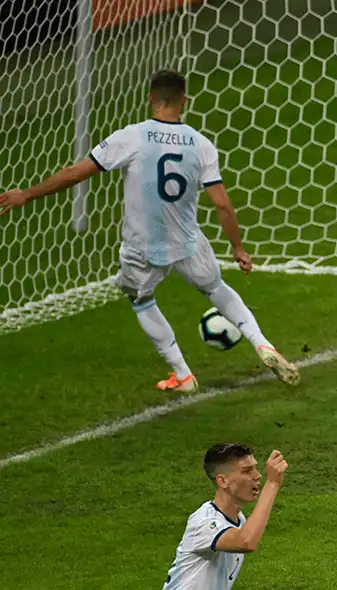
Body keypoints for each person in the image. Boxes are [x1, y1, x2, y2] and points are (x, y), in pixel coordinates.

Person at [0, 69, 299, 391]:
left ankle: (183, 375)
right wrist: (238, 249)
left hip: (143, 245)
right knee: (215, 288)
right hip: (188, 240)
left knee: (141, 299)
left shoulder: (132, 136)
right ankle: (262, 343)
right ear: (184, 101)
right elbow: (222, 204)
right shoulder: (201, 144)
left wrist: (27, 194)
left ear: (150, 99)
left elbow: (76, 173)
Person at [162, 444, 287, 589]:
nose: (257, 475)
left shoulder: (238, 520)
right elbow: (245, 542)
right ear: (223, 481)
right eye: (247, 471)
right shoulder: (204, 522)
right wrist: (272, 484)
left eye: (255, 468)